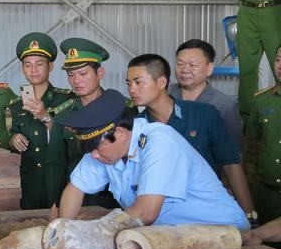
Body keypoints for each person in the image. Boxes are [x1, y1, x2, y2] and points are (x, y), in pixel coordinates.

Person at [56, 88, 249, 231]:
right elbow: (76, 188)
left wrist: (88, 232)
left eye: (96, 149)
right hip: (171, 234)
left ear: (121, 133)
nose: (94, 156)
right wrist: (65, 229)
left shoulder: (159, 141)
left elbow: (146, 213)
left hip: (220, 232)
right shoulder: (106, 150)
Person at [129, 53, 256, 224]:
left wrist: (249, 214)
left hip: (208, 213)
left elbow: (231, 163)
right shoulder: (135, 127)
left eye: (138, 82)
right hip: (164, 216)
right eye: (128, 84)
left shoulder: (203, 114)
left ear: (161, 82)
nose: (132, 90)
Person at [59, 37, 136, 208]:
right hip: (77, 192)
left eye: (83, 73)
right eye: (71, 75)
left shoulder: (125, 108)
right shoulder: (63, 113)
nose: (76, 80)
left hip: (115, 197)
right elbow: (58, 160)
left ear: (100, 73)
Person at [8, 32, 76, 209]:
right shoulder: (16, 104)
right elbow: (11, 136)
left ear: (50, 66)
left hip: (58, 180)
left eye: (39, 64)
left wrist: (46, 117)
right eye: (28, 65)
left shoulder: (67, 100)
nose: (33, 70)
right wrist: (14, 140)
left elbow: (73, 139)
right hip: (28, 182)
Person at [224, 0, 281, 120]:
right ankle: (248, 119)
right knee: (247, 69)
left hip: (275, 12)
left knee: (280, 66)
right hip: (247, 12)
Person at [168, 39, 244, 150]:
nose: (185, 69)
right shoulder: (164, 95)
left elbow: (234, 151)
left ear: (209, 68)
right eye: (180, 64)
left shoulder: (225, 105)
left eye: (193, 65)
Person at [246, 44, 281, 225]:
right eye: (278, 59)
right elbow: (252, 149)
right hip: (266, 196)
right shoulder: (261, 100)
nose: (280, 66)